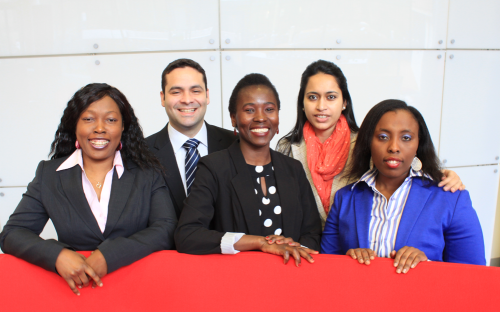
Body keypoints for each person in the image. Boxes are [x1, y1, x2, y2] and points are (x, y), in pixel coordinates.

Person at [0, 83, 177, 295]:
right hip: (75, 294)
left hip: (138, 290)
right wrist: (58, 255)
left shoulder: (148, 173)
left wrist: (110, 255)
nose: (100, 128)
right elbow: (12, 233)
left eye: (111, 120)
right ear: (75, 125)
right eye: (88, 119)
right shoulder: (49, 174)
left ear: (123, 127)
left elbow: (166, 229)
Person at [277, 60, 465, 228]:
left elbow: (406, 167)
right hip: (307, 248)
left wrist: (443, 175)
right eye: (312, 97)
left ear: (345, 103)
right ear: (302, 102)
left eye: (331, 97)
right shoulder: (287, 147)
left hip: (357, 243)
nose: (321, 106)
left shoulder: (366, 141)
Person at [320, 100, 485, 273]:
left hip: (424, 299)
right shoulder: (345, 198)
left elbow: (473, 274)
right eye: (383, 137)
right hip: (360, 298)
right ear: (369, 142)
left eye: (406, 138)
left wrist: (427, 265)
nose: (394, 147)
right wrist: (349, 261)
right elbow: (326, 271)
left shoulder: (451, 198)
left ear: (418, 145)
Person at [175, 74, 322, 266]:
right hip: (237, 280)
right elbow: (188, 235)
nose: (261, 118)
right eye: (250, 110)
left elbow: (312, 232)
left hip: (290, 278)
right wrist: (260, 243)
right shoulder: (214, 167)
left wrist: (293, 246)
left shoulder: (293, 169)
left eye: (269, 109)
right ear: (234, 118)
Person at [146, 59, 236, 218]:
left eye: (195, 91)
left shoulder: (235, 144)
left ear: (207, 96)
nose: (187, 100)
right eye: (176, 92)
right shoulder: (143, 152)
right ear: (163, 98)